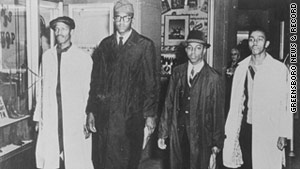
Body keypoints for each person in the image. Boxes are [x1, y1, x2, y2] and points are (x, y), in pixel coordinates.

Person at [85, 0, 160, 169]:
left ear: (132, 19)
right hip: (106, 117)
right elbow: (96, 82)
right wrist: (91, 111)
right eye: (118, 18)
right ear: (113, 19)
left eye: (126, 18)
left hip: (131, 116)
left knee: (128, 160)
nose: (121, 22)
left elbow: (151, 83)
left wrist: (150, 114)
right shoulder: (105, 45)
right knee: (102, 160)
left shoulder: (144, 45)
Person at [223, 27, 292, 169]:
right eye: (252, 39)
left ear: (266, 44)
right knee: (248, 164)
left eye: (260, 39)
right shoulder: (241, 68)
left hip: (270, 129)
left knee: (267, 164)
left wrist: (283, 133)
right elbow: (236, 103)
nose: (255, 43)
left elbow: (287, 104)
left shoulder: (278, 69)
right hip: (247, 127)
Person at [157, 30, 225, 169]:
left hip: (201, 136)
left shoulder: (213, 78)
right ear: (186, 50)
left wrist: (217, 144)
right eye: (190, 48)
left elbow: (217, 113)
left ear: (204, 50)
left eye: (198, 48)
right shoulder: (177, 72)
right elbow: (168, 103)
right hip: (178, 133)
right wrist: (163, 133)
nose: (193, 52)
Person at [33, 16, 94, 169]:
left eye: (64, 29)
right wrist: (37, 117)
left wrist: (86, 119)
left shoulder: (83, 58)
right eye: (57, 29)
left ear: (71, 31)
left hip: (73, 116)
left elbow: (88, 91)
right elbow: (41, 88)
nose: (59, 32)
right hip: (52, 115)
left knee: (75, 158)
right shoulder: (47, 57)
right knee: (51, 156)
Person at [225, 47, 241, 115]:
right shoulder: (229, 64)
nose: (233, 56)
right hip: (229, 87)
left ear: (238, 55)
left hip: (236, 88)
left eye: (235, 54)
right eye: (232, 54)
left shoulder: (240, 65)